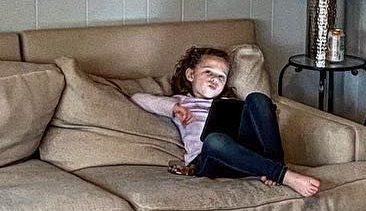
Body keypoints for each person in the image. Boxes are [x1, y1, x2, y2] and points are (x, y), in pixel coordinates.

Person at [132, 46, 321, 199]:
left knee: (257, 98)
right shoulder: (181, 103)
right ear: (191, 75)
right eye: (208, 72)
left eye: (221, 76)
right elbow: (138, 98)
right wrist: (172, 108)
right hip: (209, 161)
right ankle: (283, 175)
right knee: (214, 140)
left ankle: (274, 167)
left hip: (245, 158)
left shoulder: (228, 104)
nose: (215, 78)